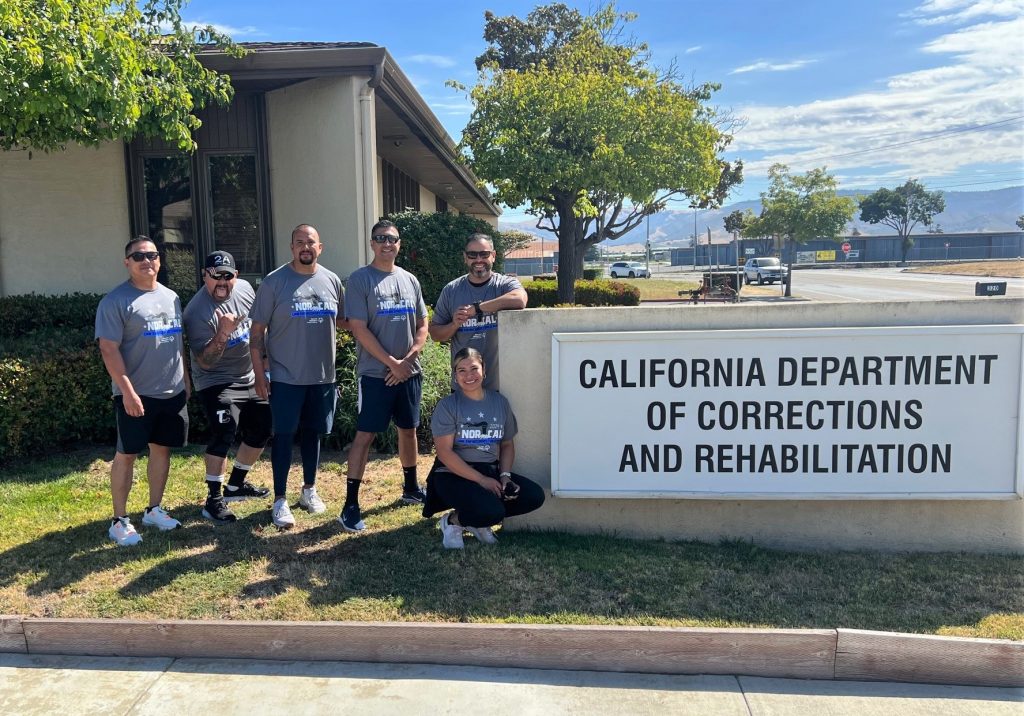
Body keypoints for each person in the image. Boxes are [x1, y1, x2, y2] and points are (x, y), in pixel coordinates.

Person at [95, 236, 190, 546]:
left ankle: (154, 510)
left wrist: (185, 379)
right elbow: (109, 349)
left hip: (171, 392)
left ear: (159, 260)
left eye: (152, 255)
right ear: (127, 263)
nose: (147, 260)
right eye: (139, 256)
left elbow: (178, 345)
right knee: (127, 454)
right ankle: (119, 520)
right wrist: (128, 392)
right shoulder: (115, 301)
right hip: (135, 394)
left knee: (161, 449)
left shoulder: (172, 297)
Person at [249, 224, 346, 529]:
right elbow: (256, 334)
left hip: (322, 376)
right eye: (300, 242)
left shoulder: (331, 281)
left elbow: (344, 322)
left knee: (313, 433)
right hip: (285, 376)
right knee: (284, 435)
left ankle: (309, 490)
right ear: (291, 247)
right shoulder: (274, 283)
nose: (306, 247)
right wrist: (260, 374)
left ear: (321, 247)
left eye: (311, 242)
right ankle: (279, 500)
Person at [341, 219, 428, 532]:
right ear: (372, 243)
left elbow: (422, 324)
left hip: (408, 371)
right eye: (380, 238)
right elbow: (359, 329)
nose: (387, 244)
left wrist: (407, 360)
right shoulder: (360, 280)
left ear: (399, 244)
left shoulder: (410, 280)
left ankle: (411, 488)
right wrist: (392, 363)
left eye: (392, 239)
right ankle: (350, 504)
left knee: (409, 430)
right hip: (376, 374)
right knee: (365, 435)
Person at [423, 347, 544, 549]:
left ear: (484, 369)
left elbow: (506, 444)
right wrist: (481, 480)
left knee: (533, 496)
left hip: (490, 469)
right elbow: (444, 452)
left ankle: (478, 521)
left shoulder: (499, 402)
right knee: (492, 511)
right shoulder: (448, 405)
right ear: (455, 375)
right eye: (461, 370)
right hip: (453, 473)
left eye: (473, 368)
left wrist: (504, 476)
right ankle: (453, 521)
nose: (468, 375)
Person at [183, 250, 272, 524]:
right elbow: (206, 362)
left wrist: (264, 367)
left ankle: (235, 485)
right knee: (224, 431)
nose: (222, 282)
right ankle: (213, 499)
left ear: (236, 276)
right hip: (215, 379)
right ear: (204, 276)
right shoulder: (196, 312)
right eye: (215, 276)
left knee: (263, 428)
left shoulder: (245, 289)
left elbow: (260, 329)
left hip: (249, 373)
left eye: (227, 276)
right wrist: (223, 332)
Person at [429, 233, 527, 392]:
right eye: (472, 255)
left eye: (484, 254)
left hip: (500, 386)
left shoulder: (504, 284)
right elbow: (435, 334)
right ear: (465, 258)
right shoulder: (451, 290)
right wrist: (454, 324)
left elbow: (519, 299)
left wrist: (478, 308)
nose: (478, 259)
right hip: (463, 388)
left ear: (493, 256)